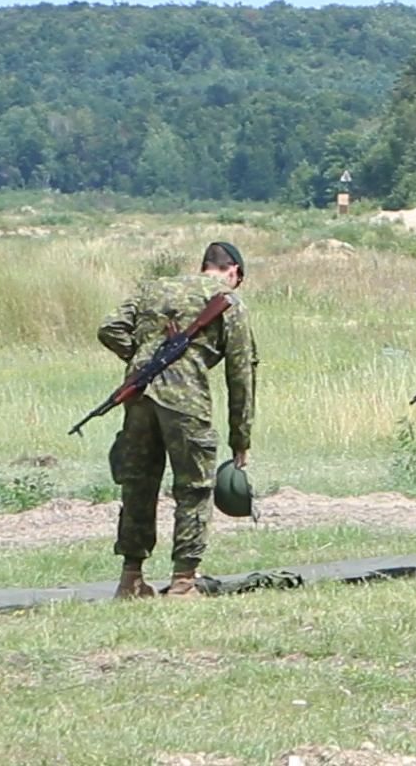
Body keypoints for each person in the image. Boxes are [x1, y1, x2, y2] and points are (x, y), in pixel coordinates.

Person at [97, 241, 257, 599]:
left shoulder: (155, 288)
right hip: (186, 402)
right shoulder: (228, 300)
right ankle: (184, 581)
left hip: (139, 397)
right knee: (194, 488)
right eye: (238, 279)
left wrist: (142, 359)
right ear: (233, 271)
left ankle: (131, 579)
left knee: (138, 485)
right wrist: (240, 438)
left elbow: (110, 328)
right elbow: (241, 373)